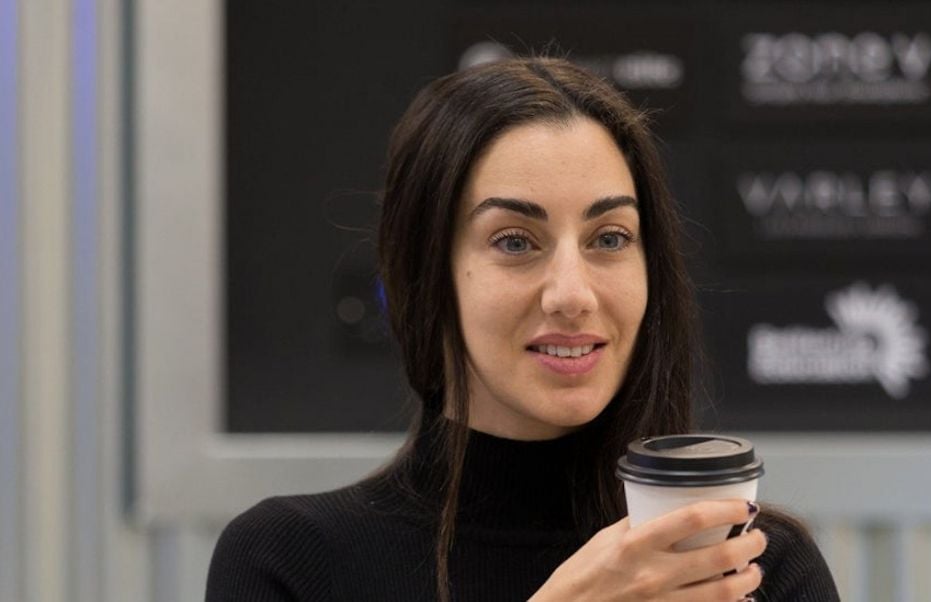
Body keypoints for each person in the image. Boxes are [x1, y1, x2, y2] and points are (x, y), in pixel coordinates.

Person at [206, 57, 839, 601]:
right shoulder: (289, 563)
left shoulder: (752, 568)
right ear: (427, 272)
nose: (572, 294)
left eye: (610, 238)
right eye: (515, 241)